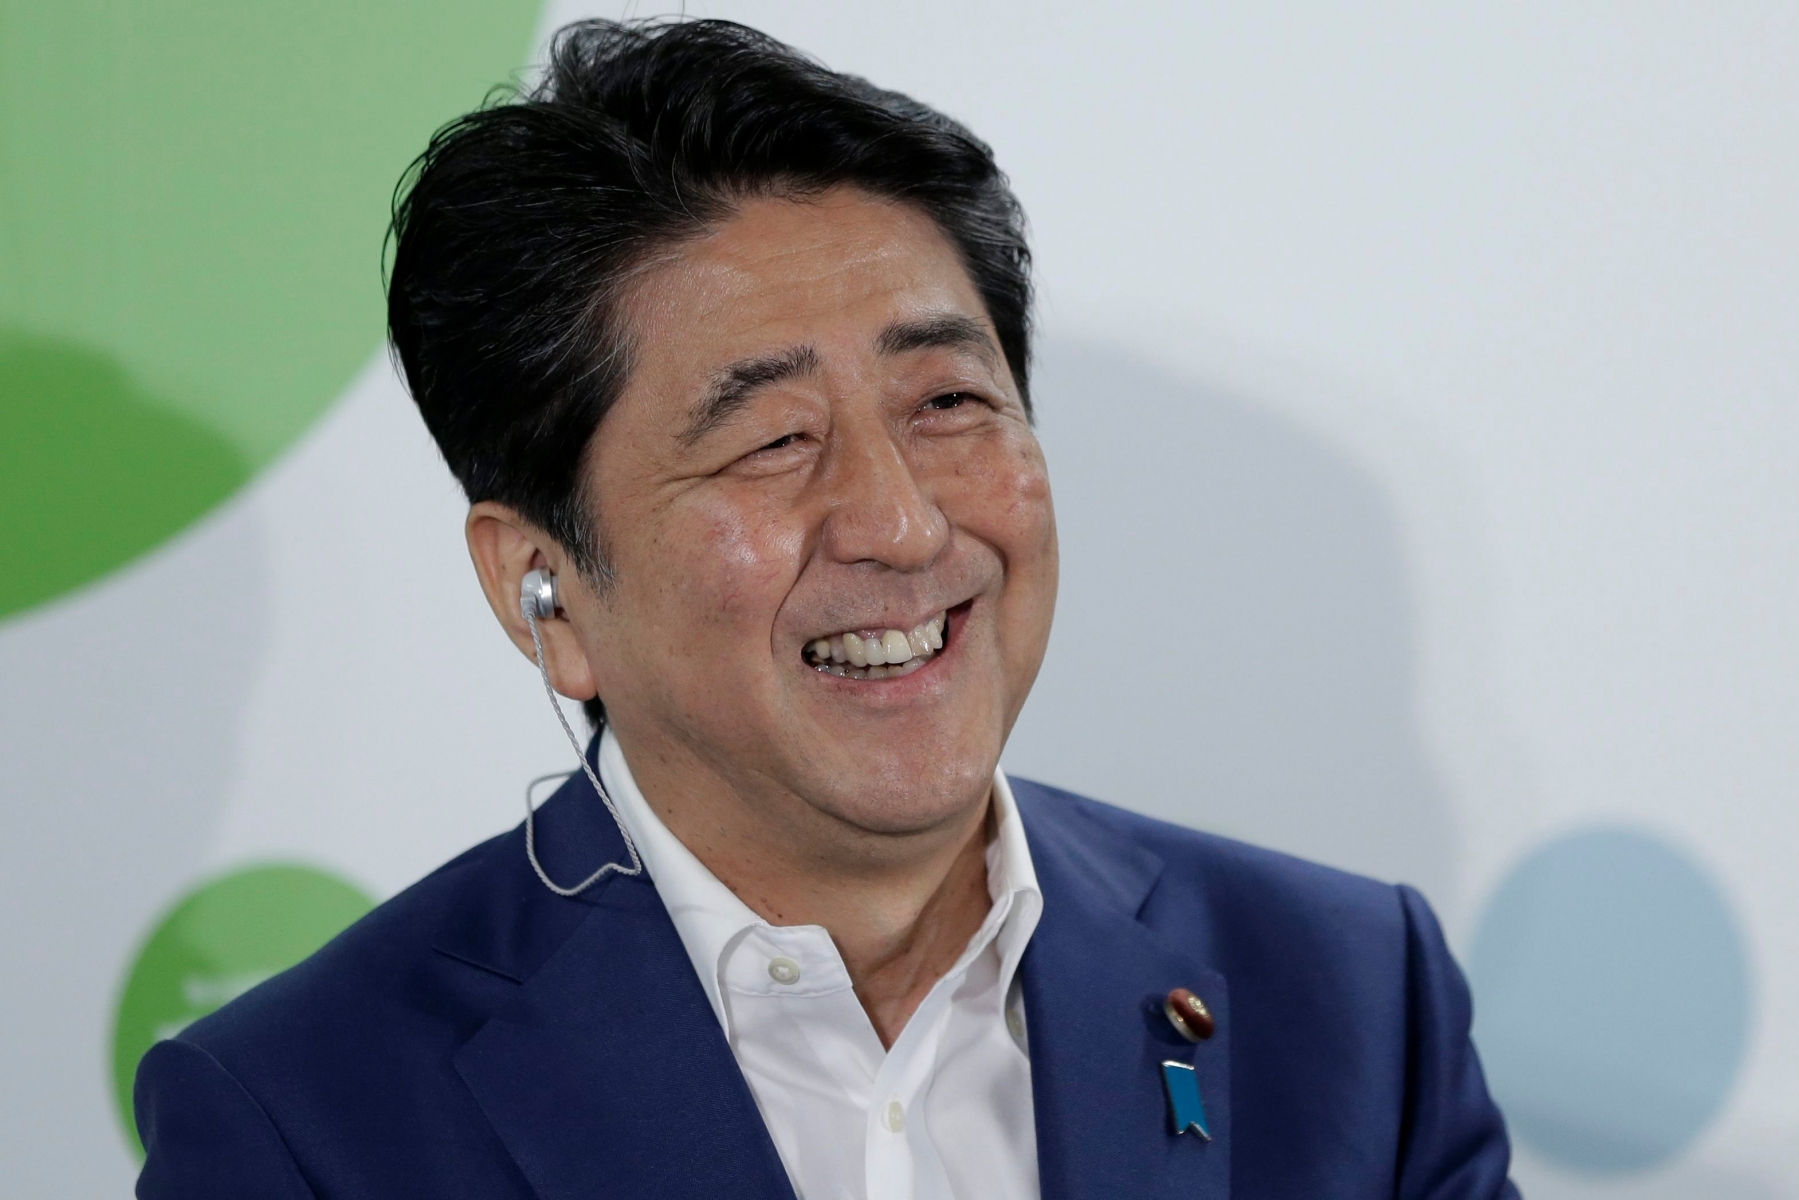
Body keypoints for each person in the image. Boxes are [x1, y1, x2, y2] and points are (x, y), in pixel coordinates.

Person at [133, 18, 1518, 1200]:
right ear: (541, 589)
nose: (905, 524)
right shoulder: (305, 1124)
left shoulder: (1345, 1003)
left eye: (948, 404)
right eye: (772, 442)